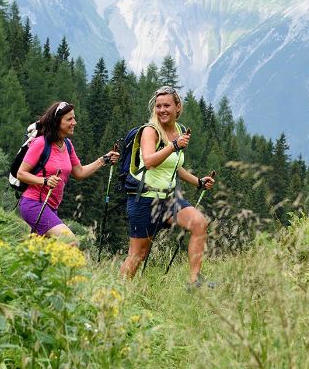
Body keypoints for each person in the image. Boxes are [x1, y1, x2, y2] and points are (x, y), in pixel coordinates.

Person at [119, 86, 215, 287]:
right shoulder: (150, 131)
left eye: (167, 106)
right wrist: (174, 146)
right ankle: (117, 294)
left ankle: (195, 280)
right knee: (138, 254)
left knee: (199, 224)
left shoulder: (179, 130)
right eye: (158, 106)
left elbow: (175, 167)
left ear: (177, 107)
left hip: (168, 198)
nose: (162, 110)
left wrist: (198, 181)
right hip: (144, 199)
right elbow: (149, 161)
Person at [17, 101, 119, 240]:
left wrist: (104, 160)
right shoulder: (41, 143)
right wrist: (45, 181)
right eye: (69, 119)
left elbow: (79, 172)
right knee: (69, 242)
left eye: (74, 118)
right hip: (34, 204)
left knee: (42, 256)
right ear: (57, 122)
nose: (74, 122)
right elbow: (21, 173)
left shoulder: (67, 145)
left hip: (51, 207)